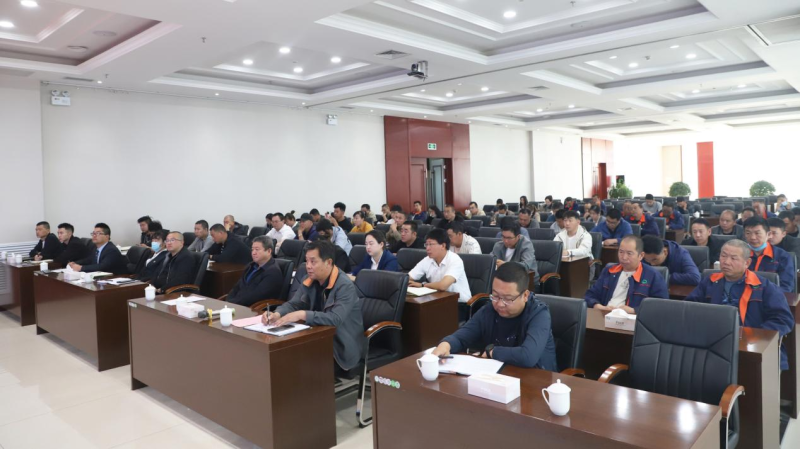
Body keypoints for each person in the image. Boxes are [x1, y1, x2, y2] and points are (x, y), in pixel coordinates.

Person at [685, 239, 794, 370]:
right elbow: (689, 309)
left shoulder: (765, 287)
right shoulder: (709, 282)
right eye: (723, 256)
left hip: (751, 348)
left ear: (747, 263)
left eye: (733, 258)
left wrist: (752, 336)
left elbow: (783, 320)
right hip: (713, 343)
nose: (726, 262)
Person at [432, 262, 558, 370]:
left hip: (538, 381)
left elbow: (527, 356)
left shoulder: (539, 314)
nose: (500, 304)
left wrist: (491, 352)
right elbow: (462, 336)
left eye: (508, 299)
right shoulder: (489, 310)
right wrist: (446, 344)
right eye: (495, 295)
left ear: (525, 295)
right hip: (499, 376)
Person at [263, 240, 365, 374]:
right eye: (306, 261)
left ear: (328, 262)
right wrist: (277, 313)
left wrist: (302, 314)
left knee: (294, 360)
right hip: (316, 336)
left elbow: (335, 319)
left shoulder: (344, 286)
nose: (308, 266)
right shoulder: (309, 279)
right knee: (279, 353)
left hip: (340, 345)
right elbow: (295, 303)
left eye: (313, 262)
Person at [584, 235, 669, 312]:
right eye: (621, 252)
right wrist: (597, 306)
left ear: (641, 255)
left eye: (629, 253)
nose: (624, 257)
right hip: (604, 315)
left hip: (633, 320)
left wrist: (634, 310)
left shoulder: (653, 276)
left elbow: (661, 306)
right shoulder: (609, 270)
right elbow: (590, 295)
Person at [408, 229, 472, 303]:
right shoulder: (427, 260)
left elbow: (443, 286)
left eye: (431, 244)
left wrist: (422, 285)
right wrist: (406, 282)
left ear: (443, 246)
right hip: (438, 300)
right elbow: (407, 278)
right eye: (426, 244)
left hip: (459, 303)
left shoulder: (455, 260)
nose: (427, 248)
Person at [743, 217, 796, 293]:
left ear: (769, 234)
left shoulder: (783, 257)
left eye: (757, 233)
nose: (752, 237)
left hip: (771, 297)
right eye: (748, 233)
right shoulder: (739, 254)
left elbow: (786, 287)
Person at [227, 236, 283, 306]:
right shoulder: (250, 266)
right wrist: (228, 301)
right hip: (237, 304)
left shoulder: (273, 272)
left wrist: (233, 303)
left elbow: (255, 297)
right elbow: (237, 287)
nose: (253, 253)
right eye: (252, 249)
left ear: (269, 251)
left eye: (257, 249)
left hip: (253, 308)